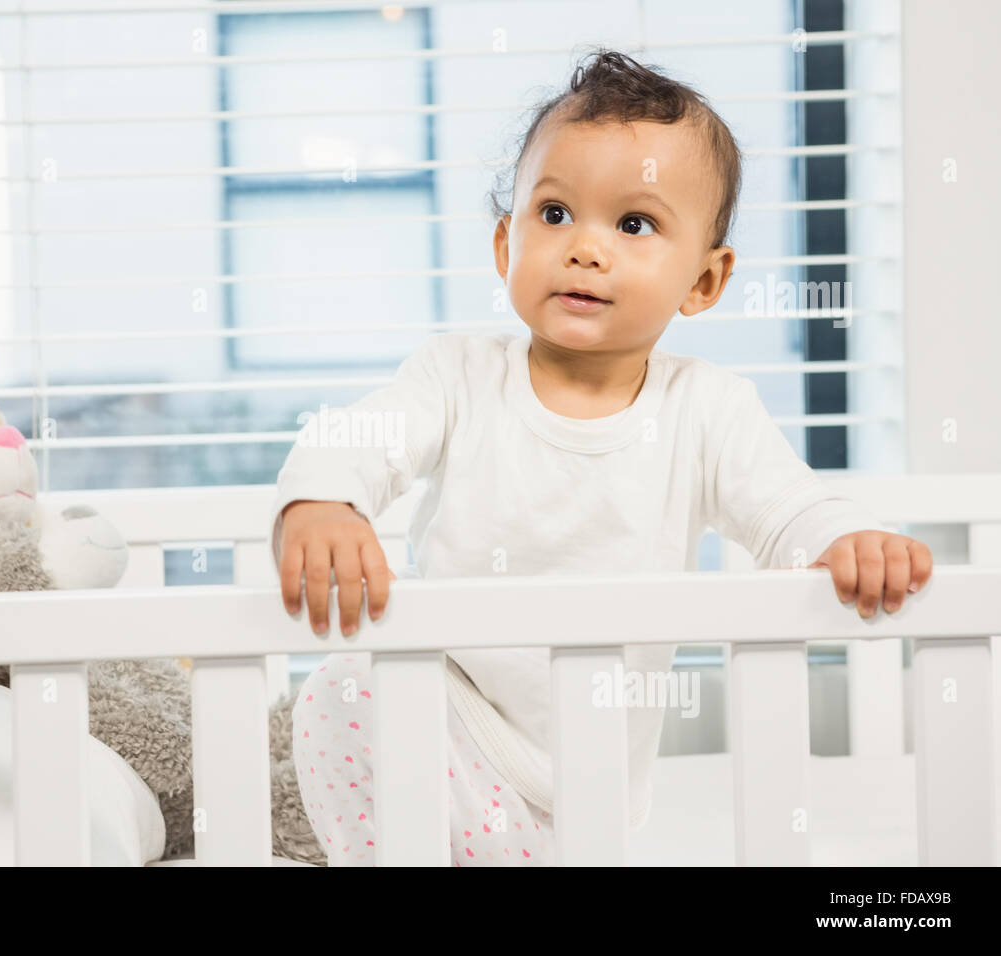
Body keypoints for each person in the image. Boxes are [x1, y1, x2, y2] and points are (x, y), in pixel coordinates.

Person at [270, 49, 933, 866]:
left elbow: (787, 507)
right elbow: (356, 439)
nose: (586, 248)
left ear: (705, 280)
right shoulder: (458, 377)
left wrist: (845, 541)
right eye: (554, 215)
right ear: (505, 245)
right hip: (450, 717)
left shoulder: (705, 409)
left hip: (588, 780)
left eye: (634, 224)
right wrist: (325, 500)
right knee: (343, 688)